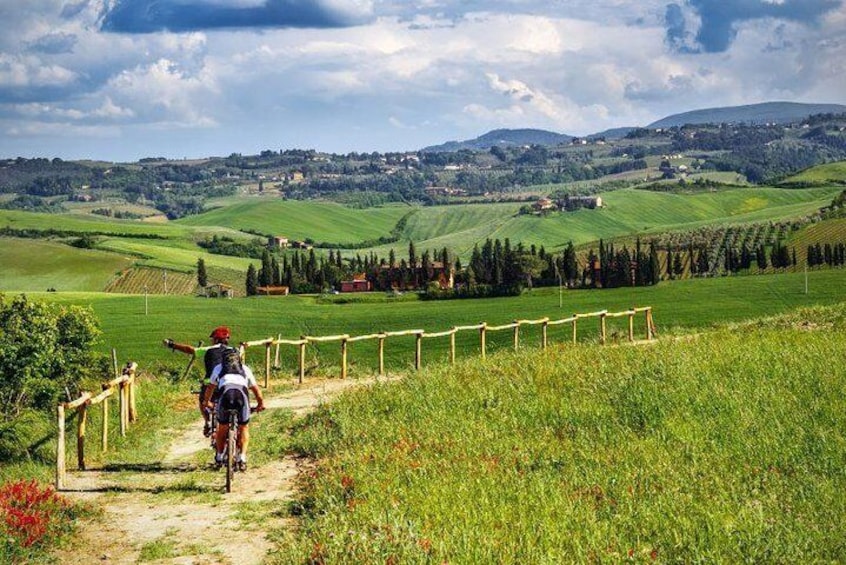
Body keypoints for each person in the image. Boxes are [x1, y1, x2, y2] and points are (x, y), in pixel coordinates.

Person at [164, 325, 232, 437]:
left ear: (215, 339)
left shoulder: (208, 350)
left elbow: (189, 350)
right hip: (228, 384)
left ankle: (207, 421)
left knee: (203, 402)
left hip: (210, 383)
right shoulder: (234, 351)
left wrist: (172, 345)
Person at [207, 346, 265, 471]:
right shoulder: (245, 369)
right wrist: (261, 404)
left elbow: (210, 387)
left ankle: (219, 456)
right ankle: (242, 458)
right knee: (244, 427)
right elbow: (256, 390)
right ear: (239, 358)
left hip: (225, 395)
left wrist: (207, 402)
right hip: (241, 397)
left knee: (222, 427)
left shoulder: (219, 368)